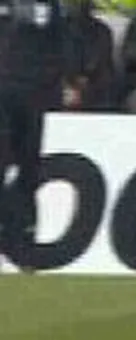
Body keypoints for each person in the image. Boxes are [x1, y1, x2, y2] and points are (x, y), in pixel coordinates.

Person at [0, 0, 66, 269]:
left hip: (34, 95)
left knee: (29, 170)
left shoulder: (49, 5)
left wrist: (55, 83)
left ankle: (22, 243)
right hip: (3, 92)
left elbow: (59, 42)